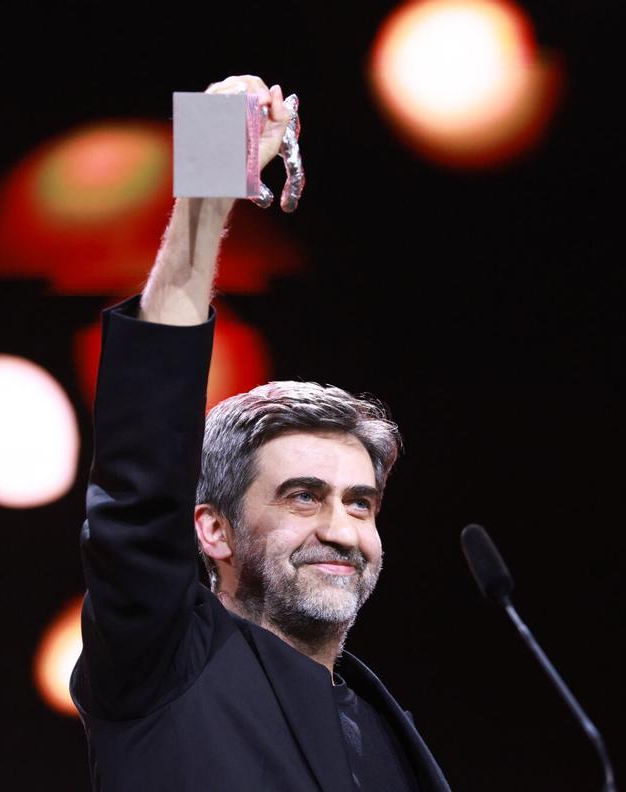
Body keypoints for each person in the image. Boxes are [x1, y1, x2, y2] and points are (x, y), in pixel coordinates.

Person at [71, 74, 451, 792]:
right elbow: (143, 465)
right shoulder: (163, 663)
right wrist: (213, 169)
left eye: (360, 502)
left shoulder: (382, 720)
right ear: (212, 529)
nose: (342, 529)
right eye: (304, 497)